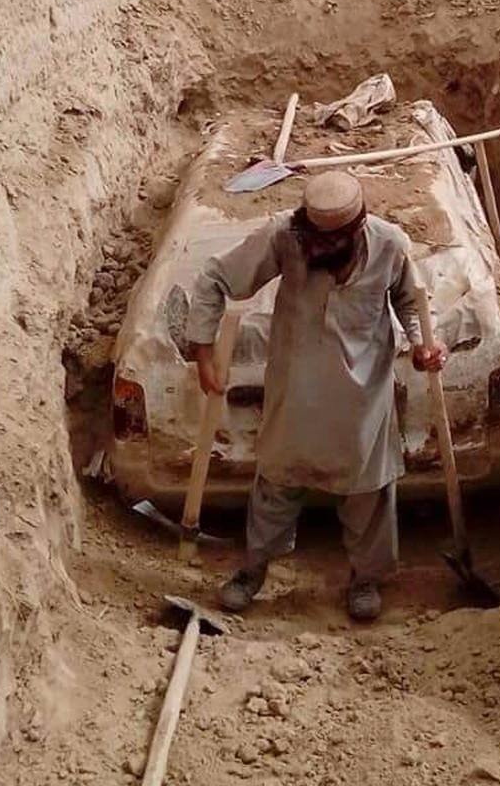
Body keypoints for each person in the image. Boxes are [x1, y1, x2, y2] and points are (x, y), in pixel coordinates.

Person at [186, 170, 447, 621]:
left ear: (357, 229)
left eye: (331, 244)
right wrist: (203, 352)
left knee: (368, 490)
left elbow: (411, 300)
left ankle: (365, 579)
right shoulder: (284, 237)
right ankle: (252, 570)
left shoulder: (390, 244)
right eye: (315, 241)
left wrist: (424, 342)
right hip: (296, 385)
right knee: (277, 480)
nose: (320, 251)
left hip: (363, 395)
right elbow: (215, 279)